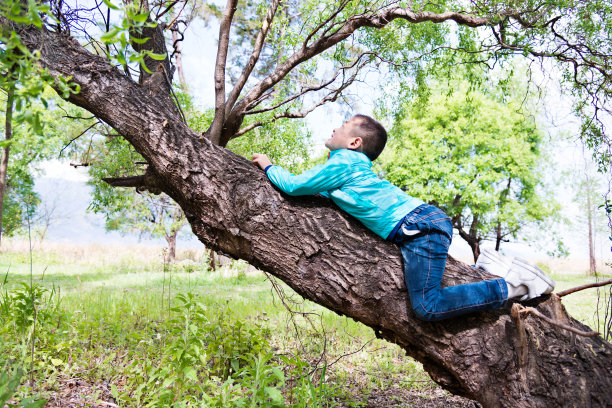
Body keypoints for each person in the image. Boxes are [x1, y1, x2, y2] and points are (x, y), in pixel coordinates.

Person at [252, 114, 554, 321]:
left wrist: (269, 166)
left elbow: (294, 186)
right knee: (428, 299)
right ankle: (488, 268)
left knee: (427, 307)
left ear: (354, 143)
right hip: (420, 223)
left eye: (343, 125)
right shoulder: (351, 169)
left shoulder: (344, 163)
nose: (335, 128)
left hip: (419, 226)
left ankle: (515, 286)